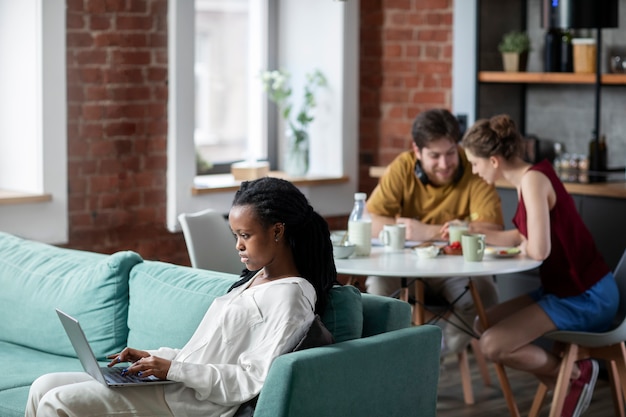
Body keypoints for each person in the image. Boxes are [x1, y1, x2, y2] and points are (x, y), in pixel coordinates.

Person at [26, 177, 337, 417]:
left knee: (57, 402)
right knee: (43, 386)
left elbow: (250, 380)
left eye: (245, 235)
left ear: (277, 232)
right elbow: (209, 353)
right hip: (178, 385)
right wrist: (155, 357)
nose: (238, 246)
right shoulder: (256, 280)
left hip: (197, 405)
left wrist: (172, 370)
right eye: (236, 236)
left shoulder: (291, 297)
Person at [461, 114, 618, 417]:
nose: (473, 170)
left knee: (493, 344)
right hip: (563, 290)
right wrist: (474, 231)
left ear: (493, 161)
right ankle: (570, 382)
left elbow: (538, 249)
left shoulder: (533, 182)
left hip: (586, 295)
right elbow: (522, 236)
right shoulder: (529, 178)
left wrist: (522, 245)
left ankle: (574, 375)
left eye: (475, 163)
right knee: (483, 324)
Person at [366, 108, 504, 355]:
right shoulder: (402, 167)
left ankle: (431, 353)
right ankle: (393, 357)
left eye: (451, 153)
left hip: (454, 266)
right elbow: (370, 221)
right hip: (401, 266)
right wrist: (405, 229)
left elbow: (493, 228)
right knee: (376, 290)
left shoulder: (474, 168)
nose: (445, 164)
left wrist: (426, 231)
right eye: (434, 156)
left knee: (485, 294)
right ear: (417, 151)